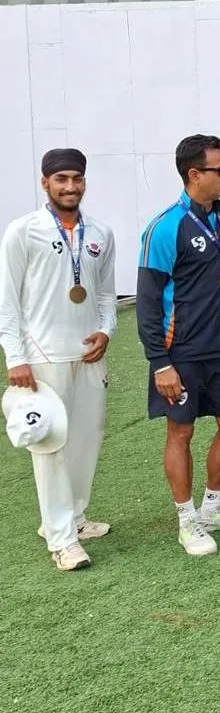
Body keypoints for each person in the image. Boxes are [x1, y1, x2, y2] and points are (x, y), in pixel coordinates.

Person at [137, 134, 220, 556]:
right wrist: (160, 362)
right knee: (181, 431)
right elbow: (147, 304)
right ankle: (187, 520)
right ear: (194, 174)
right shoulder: (165, 227)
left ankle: (213, 508)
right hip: (181, 353)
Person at [0, 148, 116, 571]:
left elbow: (106, 293)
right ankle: (62, 539)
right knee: (50, 444)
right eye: (61, 179)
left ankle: (74, 517)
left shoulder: (99, 232)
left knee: (86, 439)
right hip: (42, 355)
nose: (70, 187)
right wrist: (16, 357)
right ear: (45, 182)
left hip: (88, 355)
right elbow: (8, 300)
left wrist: (107, 330)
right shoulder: (23, 231)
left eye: (76, 179)